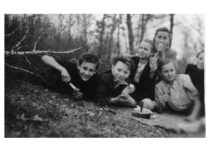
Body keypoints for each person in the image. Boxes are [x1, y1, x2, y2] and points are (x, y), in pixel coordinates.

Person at [131, 39, 158, 109]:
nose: (141, 50)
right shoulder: (133, 60)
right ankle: (133, 102)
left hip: (143, 93)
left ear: (152, 53)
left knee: (147, 104)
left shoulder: (152, 66)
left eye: (145, 49)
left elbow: (148, 88)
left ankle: (153, 104)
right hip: (130, 89)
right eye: (140, 48)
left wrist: (152, 73)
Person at [185, 51, 204, 116]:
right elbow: (184, 79)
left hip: (198, 98)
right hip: (186, 93)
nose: (202, 61)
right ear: (197, 59)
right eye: (200, 59)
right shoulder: (190, 67)